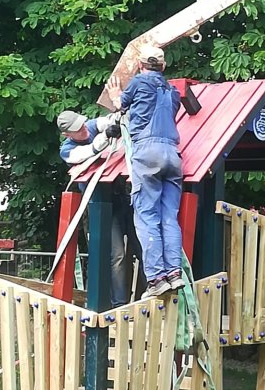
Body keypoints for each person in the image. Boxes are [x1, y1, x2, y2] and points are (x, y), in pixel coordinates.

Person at [114, 45, 185, 298]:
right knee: (169, 218)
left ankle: (155, 278)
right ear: (163, 67)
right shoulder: (173, 91)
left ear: (140, 65)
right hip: (173, 155)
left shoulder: (138, 83)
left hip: (147, 152)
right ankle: (174, 273)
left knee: (146, 217)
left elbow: (120, 107)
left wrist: (115, 97)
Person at [57, 109, 144, 308]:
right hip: (101, 206)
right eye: (76, 130)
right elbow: (90, 151)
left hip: (122, 198)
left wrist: (118, 116)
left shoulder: (89, 127)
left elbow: (105, 121)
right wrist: (106, 136)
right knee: (117, 256)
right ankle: (119, 305)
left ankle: (147, 299)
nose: (82, 129)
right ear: (66, 135)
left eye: (81, 124)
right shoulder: (67, 150)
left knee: (144, 248)